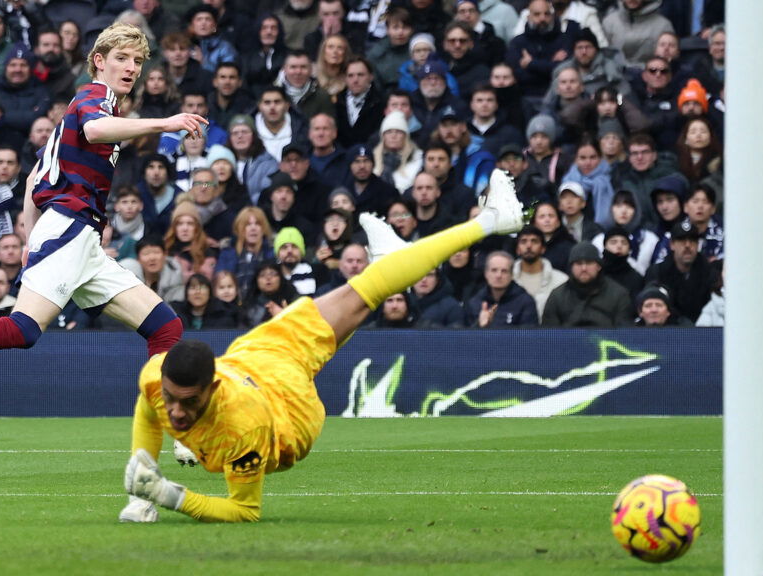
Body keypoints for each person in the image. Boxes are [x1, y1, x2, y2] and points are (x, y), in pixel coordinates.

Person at [118, 168, 525, 523]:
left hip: (288, 404)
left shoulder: (244, 426)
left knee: (359, 294)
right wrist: (141, 490)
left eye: (188, 403)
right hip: (266, 387)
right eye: (172, 398)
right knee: (358, 297)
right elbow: (149, 408)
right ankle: (391, 264)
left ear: (212, 389)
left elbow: (244, 510)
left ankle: (489, 222)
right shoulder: (159, 380)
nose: (174, 410)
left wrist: (169, 496)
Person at [0, 23, 209, 403]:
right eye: (121, 58)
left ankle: (163, 425)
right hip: (70, 226)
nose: (131, 67)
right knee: (23, 329)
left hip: (80, 239)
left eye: (137, 61)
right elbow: (98, 130)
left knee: (166, 327)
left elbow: (34, 177)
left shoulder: (80, 112)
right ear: (99, 62)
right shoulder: (92, 97)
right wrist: (166, 122)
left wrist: (29, 236)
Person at [541, 241, 634, 327]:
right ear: (571, 267)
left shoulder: (618, 295)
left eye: (589, 263)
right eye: (578, 263)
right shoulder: (557, 296)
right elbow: (549, 336)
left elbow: (625, 334)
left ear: (598, 266)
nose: (584, 268)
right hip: (568, 343)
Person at [644, 220, 719, 324]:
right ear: (672, 245)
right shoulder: (656, 272)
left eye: (692, 240)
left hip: (703, 332)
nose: (687, 245)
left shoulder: (710, 274)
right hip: (667, 332)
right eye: (681, 240)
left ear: (698, 245)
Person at [464, 250, 538, 328]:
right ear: (486, 274)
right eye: (494, 270)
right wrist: (480, 326)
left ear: (512, 275)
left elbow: (529, 338)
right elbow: (466, 338)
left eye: (504, 271)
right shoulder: (475, 303)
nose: (499, 275)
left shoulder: (526, 302)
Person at [512, 224, 567, 322]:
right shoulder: (507, 279)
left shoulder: (561, 280)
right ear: (517, 249)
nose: (529, 246)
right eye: (523, 241)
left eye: (534, 241)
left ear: (543, 249)